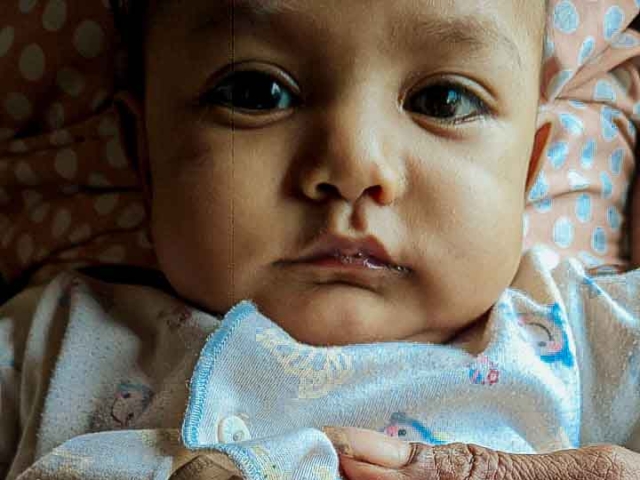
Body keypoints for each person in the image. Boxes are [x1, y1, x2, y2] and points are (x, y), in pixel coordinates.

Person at [1, 0, 640, 479]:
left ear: (527, 171)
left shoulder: (589, 338)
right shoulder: (52, 342)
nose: (354, 166)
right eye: (256, 93)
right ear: (143, 155)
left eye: (443, 101)